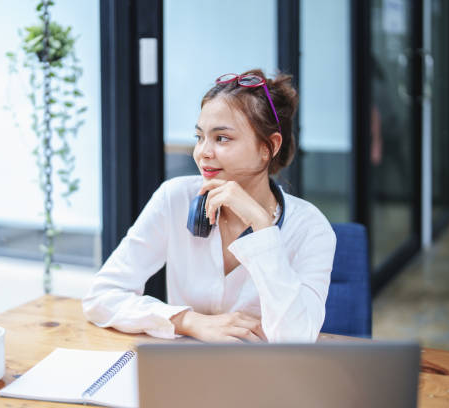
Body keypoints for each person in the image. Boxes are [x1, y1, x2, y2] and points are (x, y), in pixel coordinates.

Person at [83, 69, 336, 343]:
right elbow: (102, 296)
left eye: (222, 138)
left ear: (269, 147)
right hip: (188, 370)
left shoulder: (311, 228)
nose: (203, 152)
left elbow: (297, 340)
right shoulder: (175, 198)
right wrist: (189, 322)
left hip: (263, 376)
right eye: (199, 137)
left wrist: (263, 228)